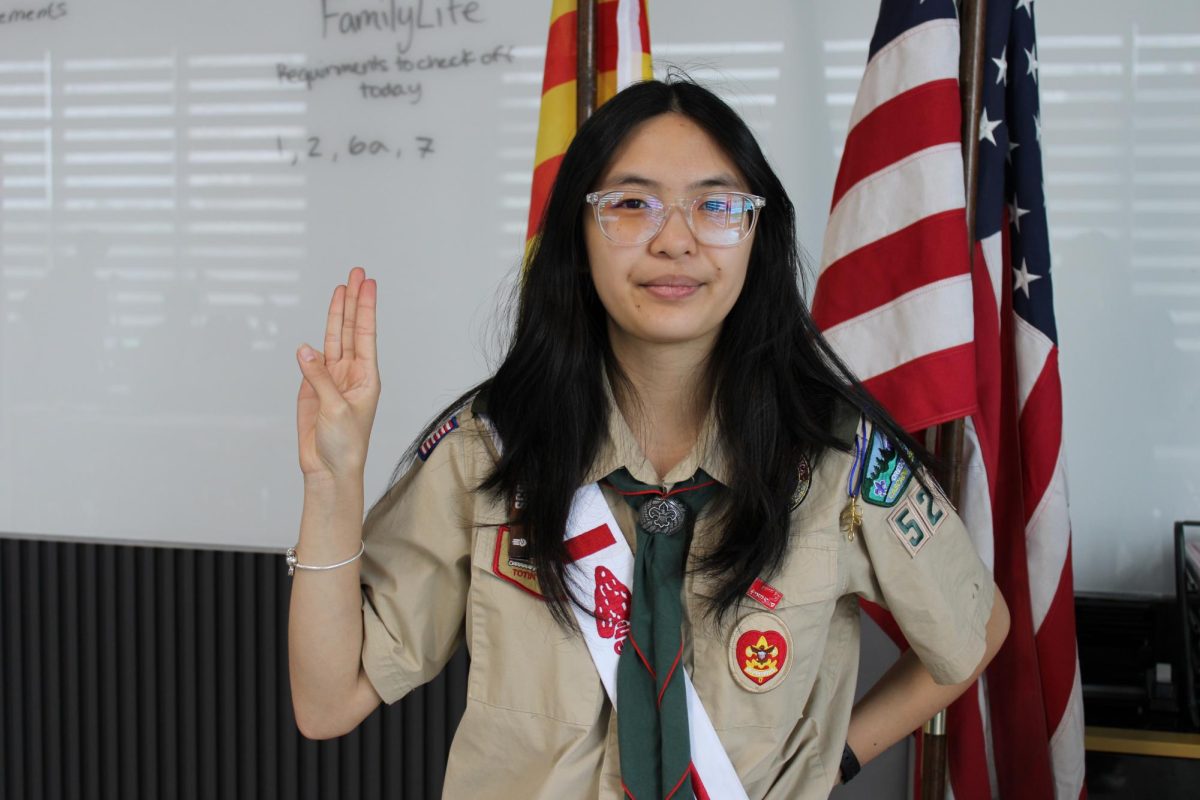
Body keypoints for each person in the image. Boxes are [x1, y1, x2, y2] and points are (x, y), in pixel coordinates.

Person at [288, 78, 1010, 799]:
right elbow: (327, 704)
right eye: (632, 205)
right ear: (579, 230)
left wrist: (832, 761)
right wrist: (331, 485)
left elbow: (975, 631)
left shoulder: (834, 456)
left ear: (758, 234)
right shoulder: (490, 449)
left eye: (717, 205)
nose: (675, 240)